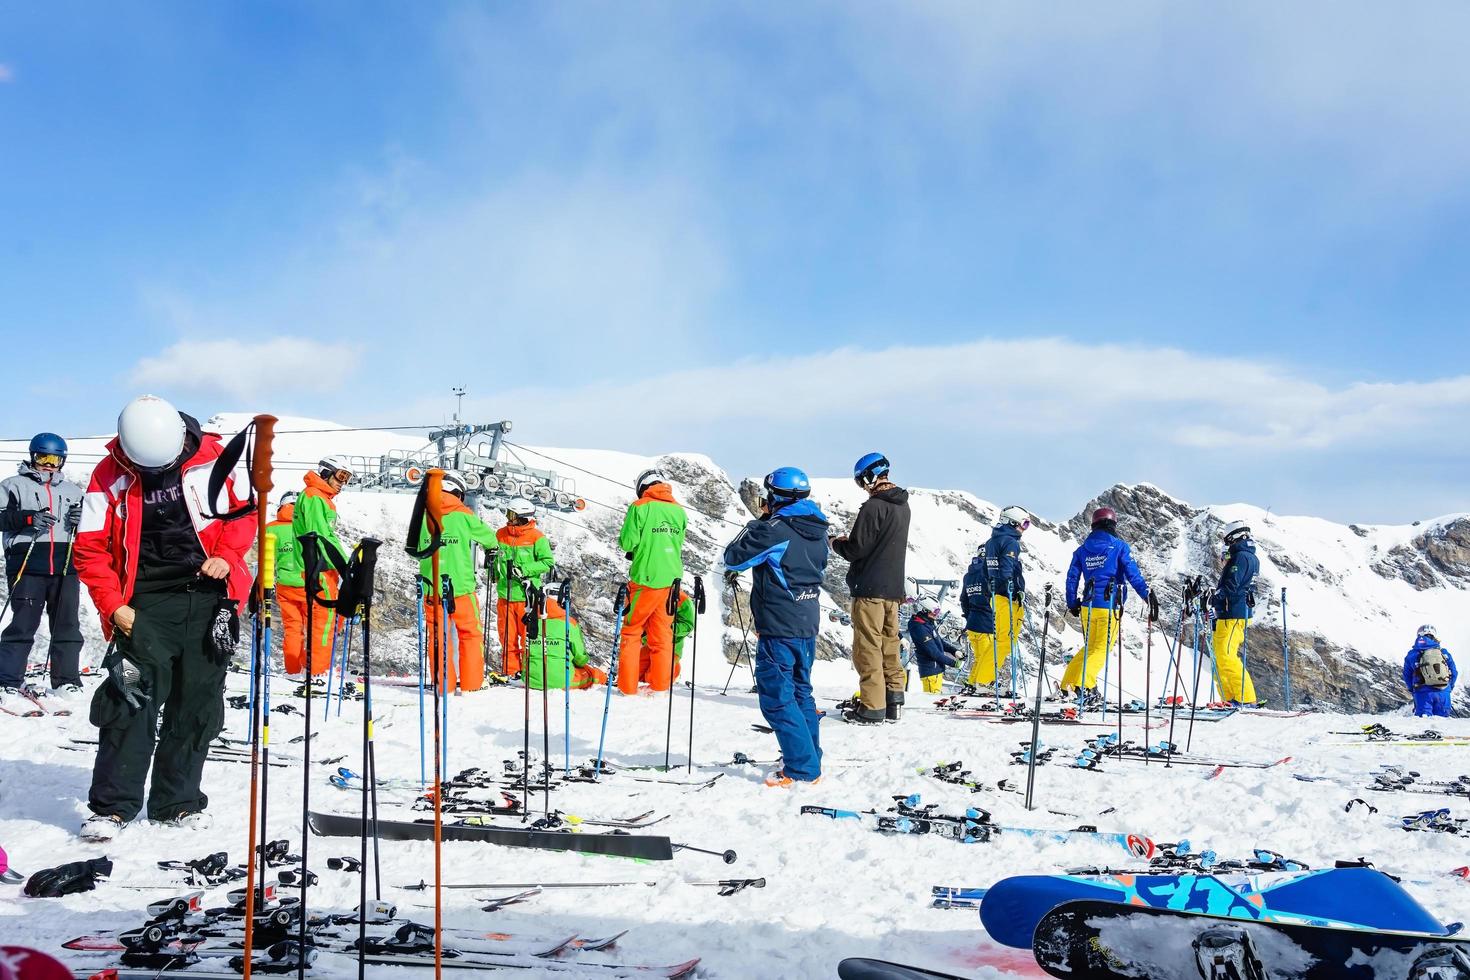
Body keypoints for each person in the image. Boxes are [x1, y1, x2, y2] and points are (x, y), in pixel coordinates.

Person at [72, 395, 253, 841]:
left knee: (197, 706)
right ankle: (113, 807)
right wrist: (113, 606)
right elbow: (90, 547)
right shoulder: (109, 473)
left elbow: (245, 516)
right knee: (129, 701)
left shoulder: (217, 456)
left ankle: (177, 803)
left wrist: (228, 557)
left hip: (211, 600)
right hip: (143, 606)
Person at [723, 466, 829, 786]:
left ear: (776, 496)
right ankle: (808, 757)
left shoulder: (773, 529)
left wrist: (757, 524)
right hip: (806, 622)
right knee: (801, 694)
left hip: (779, 626)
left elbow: (734, 558)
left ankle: (801, 768)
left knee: (777, 698)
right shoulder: (818, 528)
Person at [0, 432, 85, 705]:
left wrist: (80, 519)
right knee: (24, 624)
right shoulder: (13, 485)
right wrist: (28, 518)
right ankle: (7, 681)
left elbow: (93, 524)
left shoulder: (73, 491)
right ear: (32, 456)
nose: (49, 464)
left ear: (62, 461)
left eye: (55, 459)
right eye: (43, 458)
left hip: (65, 565)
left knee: (67, 625)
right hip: (28, 565)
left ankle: (67, 681)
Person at [832, 452, 910, 725]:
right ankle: (893, 701)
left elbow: (857, 549)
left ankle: (872, 708)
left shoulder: (873, 507)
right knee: (890, 645)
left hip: (870, 589)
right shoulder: (903, 506)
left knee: (868, 647)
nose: (862, 486)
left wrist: (836, 543)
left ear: (868, 476)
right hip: (893, 590)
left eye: (860, 481)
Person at [1060, 506, 1157, 706]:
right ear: (1112, 524)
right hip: (1109, 605)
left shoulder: (1081, 550)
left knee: (1090, 648)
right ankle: (1084, 686)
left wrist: (1072, 603)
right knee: (1101, 648)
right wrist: (1147, 595)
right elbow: (1133, 575)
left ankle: (1068, 684)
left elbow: (1072, 578)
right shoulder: (1120, 547)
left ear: (1093, 526)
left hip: (1087, 607)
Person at [417, 471, 498, 693]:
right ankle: (471, 686)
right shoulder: (464, 515)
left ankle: (444, 686)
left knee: (437, 636)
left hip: (431, 588)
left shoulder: (422, 515)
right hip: (461, 588)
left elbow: (415, 549)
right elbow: (490, 538)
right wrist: (490, 551)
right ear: (458, 492)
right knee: (469, 634)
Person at [616, 468, 687, 695]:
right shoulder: (679, 510)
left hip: (645, 579)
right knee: (662, 635)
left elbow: (627, 542)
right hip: (671, 581)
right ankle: (660, 686)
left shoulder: (640, 507)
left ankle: (627, 688)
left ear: (642, 487)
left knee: (631, 631)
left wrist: (638, 548)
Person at [289, 455, 354, 677]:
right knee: (324, 622)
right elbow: (322, 536)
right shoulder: (315, 497)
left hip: (319, 565)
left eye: (347, 478)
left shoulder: (318, 496)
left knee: (320, 621)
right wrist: (343, 566)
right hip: (321, 566)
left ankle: (311, 668)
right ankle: (318, 672)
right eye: (341, 475)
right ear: (326, 472)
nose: (342, 482)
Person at [964, 506, 1029, 693]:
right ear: (1013, 522)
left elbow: (986, 570)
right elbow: (1008, 567)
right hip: (1007, 597)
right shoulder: (1011, 542)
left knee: (999, 640)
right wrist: (1011, 587)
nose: (1024, 529)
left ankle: (981, 680)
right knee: (1005, 641)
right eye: (1024, 524)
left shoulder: (991, 541)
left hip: (996, 597)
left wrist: (990, 587)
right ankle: (984, 681)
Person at [492, 497, 555, 677]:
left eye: (512, 515)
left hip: (528, 597)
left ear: (523, 517)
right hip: (505, 595)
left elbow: (548, 562)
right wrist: (494, 573)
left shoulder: (537, 537)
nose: (508, 518)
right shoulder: (501, 534)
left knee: (529, 638)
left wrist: (525, 569)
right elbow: (497, 560)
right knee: (507, 637)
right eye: (508, 514)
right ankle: (511, 672)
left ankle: (530, 672)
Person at [1211, 519, 1259, 705]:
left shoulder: (1242, 557)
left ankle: (1245, 699)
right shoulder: (1245, 556)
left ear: (1235, 537)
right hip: (1229, 612)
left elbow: (1232, 585)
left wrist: (1215, 597)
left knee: (1227, 656)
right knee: (1220, 657)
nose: (1226, 544)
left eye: (1228, 540)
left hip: (1234, 612)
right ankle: (1229, 697)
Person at [526, 594, 606, 690]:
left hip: (530, 679)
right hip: (562, 681)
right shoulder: (570, 623)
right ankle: (604, 677)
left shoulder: (530, 621)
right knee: (590, 673)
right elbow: (580, 658)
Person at [264, 491, 305, 672]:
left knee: (292, 628)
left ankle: (293, 668)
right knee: (313, 628)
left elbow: (266, 559)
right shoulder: (309, 525)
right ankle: (313, 669)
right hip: (310, 584)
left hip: (285, 586)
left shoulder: (271, 528)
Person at [636, 587, 693, 686]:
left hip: (670, 646)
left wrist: (668, 628)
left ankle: (672, 671)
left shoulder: (682, 598)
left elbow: (688, 625)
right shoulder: (652, 593)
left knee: (654, 678)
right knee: (635, 674)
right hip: (649, 643)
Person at [1404, 624, 1456, 718]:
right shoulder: (1443, 652)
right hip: (1443, 692)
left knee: (1424, 723)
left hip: (1422, 692)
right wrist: (1449, 687)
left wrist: (1412, 689)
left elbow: (1407, 675)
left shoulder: (1412, 655)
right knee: (1443, 723)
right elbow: (1454, 672)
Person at [909, 606, 960, 694]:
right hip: (931, 672)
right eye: (934, 612)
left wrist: (954, 651)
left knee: (936, 702)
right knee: (931, 702)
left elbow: (939, 641)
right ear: (925, 610)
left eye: (938, 612)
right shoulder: (920, 628)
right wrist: (953, 663)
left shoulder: (927, 624)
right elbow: (934, 653)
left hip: (936, 672)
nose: (936, 615)